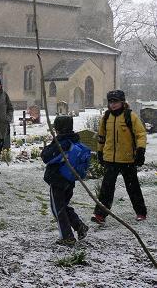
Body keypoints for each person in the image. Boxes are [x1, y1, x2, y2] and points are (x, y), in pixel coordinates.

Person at [92, 90, 148, 224]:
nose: (113, 105)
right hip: (110, 159)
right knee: (106, 187)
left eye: (115, 102)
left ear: (122, 102)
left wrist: (140, 151)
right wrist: (100, 152)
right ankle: (100, 214)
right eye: (110, 102)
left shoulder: (130, 116)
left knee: (133, 187)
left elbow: (141, 134)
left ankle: (141, 212)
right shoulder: (106, 117)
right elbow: (101, 137)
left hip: (128, 159)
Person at [41, 116, 89, 247]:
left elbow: (47, 157)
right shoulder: (73, 140)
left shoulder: (62, 143)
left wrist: (45, 150)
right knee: (63, 205)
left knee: (58, 209)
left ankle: (67, 237)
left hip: (58, 179)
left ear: (57, 128)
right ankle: (79, 226)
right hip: (69, 179)